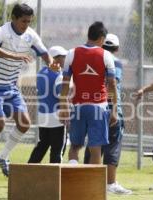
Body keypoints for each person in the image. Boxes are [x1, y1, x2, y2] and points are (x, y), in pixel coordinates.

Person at [0, 3, 52, 177]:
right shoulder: (2, 31)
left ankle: (2, 157)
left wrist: (54, 65)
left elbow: (45, 53)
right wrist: (15, 55)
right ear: (14, 19)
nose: (26, 25)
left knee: (24, 123)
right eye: (24, 21)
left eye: (29, 21)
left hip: (11, 87)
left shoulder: (31, 35)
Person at [59, 21, 118, 165]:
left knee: (74, 146)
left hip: (78, 106)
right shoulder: (106, 55)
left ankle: (73, 180)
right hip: (99, 107)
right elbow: (112, 84)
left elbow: (65, 82)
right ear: (102, 38)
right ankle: (93, 185)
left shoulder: (71, 53)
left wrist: (63, 106)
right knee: (95, 148)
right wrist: (114, 109)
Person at [83, 34, 132, 194]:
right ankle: (110, 183)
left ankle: (87, 181)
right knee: (113, 145)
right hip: (109, 109)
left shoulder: (92, 60)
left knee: (93, 147)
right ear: (117, 49)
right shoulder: (114, 61)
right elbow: (112, 84)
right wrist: (113, 109)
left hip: (91, 107)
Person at [28, 46, 68, 164]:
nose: (66, 59)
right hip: (56, 117)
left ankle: (28, 171)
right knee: (57, 149)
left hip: (42, 116)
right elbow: (61, 96)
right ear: (56, 59)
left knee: (42, 146)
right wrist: (66, 113)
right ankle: (55, 178)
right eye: (63, 57)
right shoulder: (58, 75)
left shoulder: (40, 73)